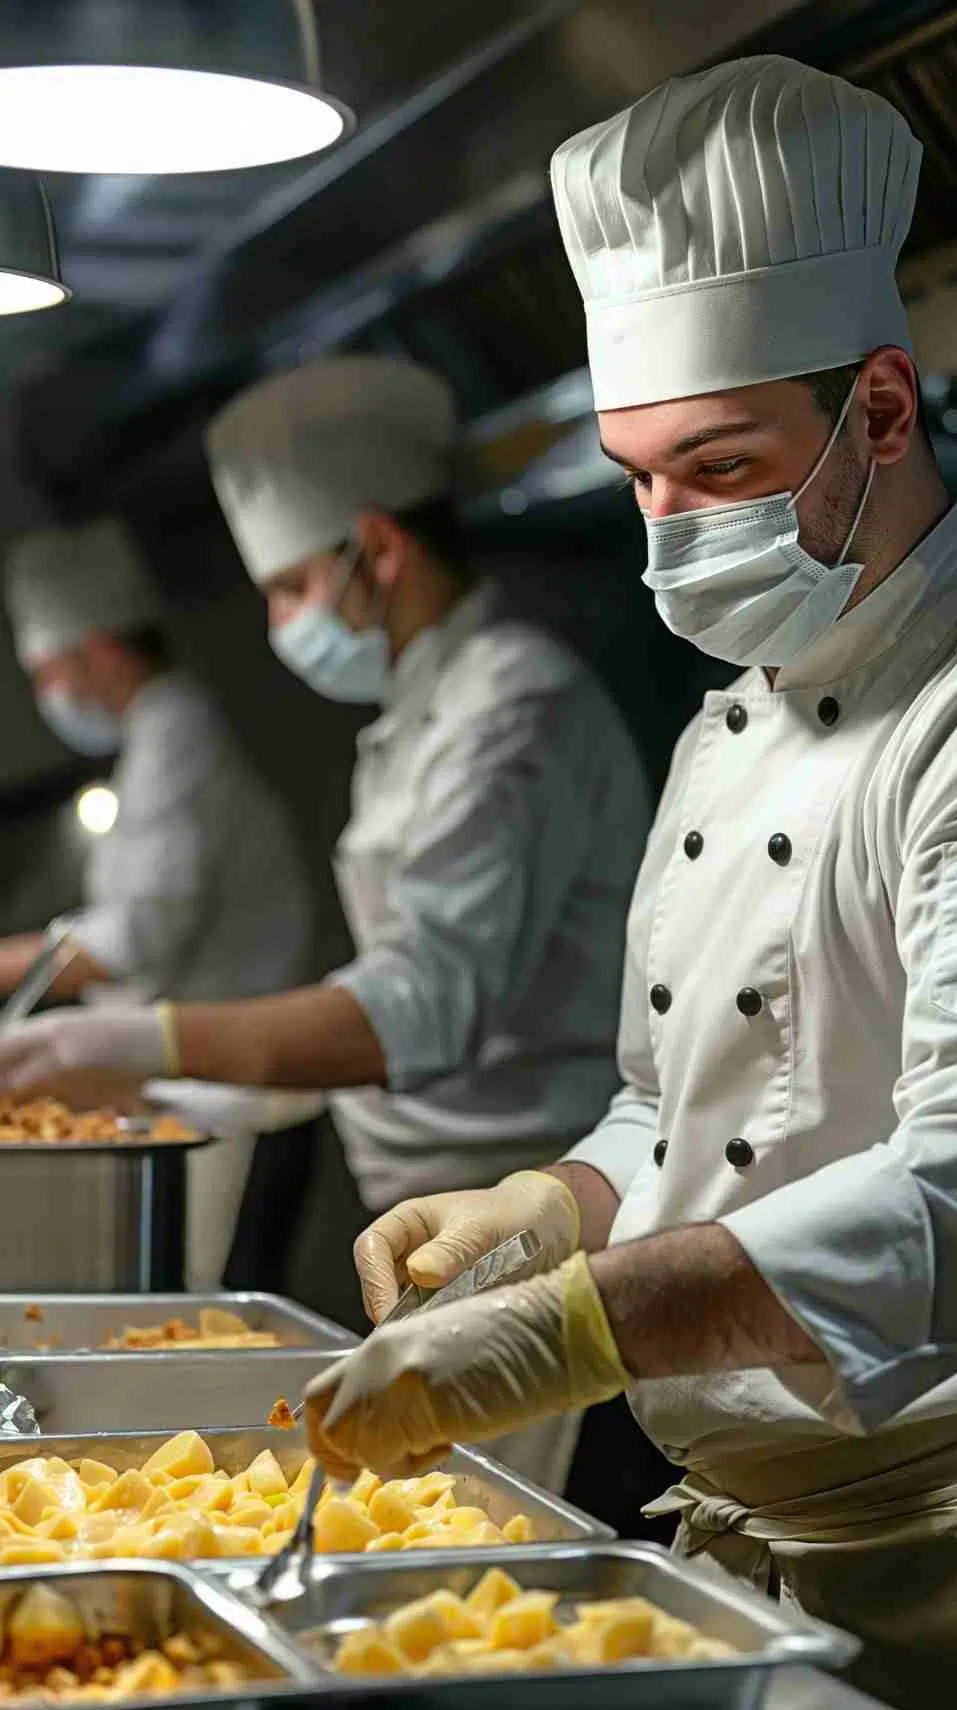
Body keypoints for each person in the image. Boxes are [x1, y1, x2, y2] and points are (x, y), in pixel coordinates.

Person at [291, 59, 957, 1710]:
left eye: (716, 465)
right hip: (743, 1540)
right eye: (634, 479)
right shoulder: (723, 721)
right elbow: (672, 1103)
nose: (672, 532)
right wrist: (538, 1210)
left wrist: (574, 1324)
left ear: (884, 412)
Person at [0, 356, 651, 1492]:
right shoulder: (424, 712)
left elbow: (423, 1002)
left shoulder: (515, 708)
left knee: (494, 1520)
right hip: (428, 1191)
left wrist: (137, 1040)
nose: (278, 621)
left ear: (379, 551)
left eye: (290, 586)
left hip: (525, 1196)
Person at [0, 516, 312, 1286]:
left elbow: (135, 937)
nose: (47, 695)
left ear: (101, 650)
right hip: (202, 1093)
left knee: (205, 1318)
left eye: (47, 672)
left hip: (233, 1103)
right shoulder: (151, 743)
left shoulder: (178, 730)